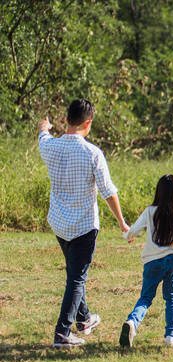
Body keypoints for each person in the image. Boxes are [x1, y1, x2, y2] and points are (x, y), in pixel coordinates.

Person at [38, 99, 129, 348]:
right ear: (88, 123)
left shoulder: (49, 147)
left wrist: (44, 126)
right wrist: (122, 222)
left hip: (59, 223)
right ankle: (62, 333)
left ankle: (85, 319)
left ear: (66, 119)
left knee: (75, 272)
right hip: (83, 226)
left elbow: (43, 135)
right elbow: (108, 191)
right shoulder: (92, 153)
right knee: (77, 278)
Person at [119, 174, 173, 347]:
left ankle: (132, 323)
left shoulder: (150, 211)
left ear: (159, 192)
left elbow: (133, 230)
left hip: (151, 262)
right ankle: (171, 335)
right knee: (171, 297)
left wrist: (127, 235)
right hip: (170, 261)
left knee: (146, 297)